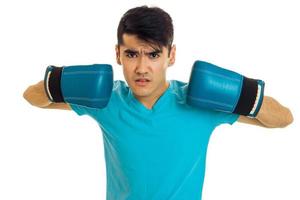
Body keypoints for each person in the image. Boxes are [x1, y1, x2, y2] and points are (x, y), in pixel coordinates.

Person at [23, 5, 293, 200]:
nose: (142, 67)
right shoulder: (107, 99)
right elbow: (33, 98)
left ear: (171, 55)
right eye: (131, 54)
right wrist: (65, 80)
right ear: (117, 54)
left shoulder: (199, 102)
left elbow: (283, 119)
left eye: (153, 54)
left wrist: (237, 91)